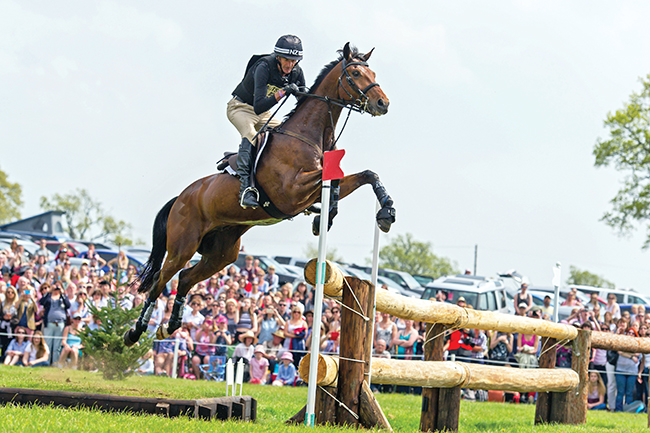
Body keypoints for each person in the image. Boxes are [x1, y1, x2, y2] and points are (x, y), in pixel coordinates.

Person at [228, 35, 306, 208]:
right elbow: (258, 106)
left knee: (285, 136)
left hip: (264, 113)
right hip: (240, 108)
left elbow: (304, 100)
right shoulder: (263, 67)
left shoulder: (296, 71)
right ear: (278, 57)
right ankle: (246, 189)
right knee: (251, 134)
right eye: (286, 60)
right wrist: (283, 93)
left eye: (294, 61)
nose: (289, 65)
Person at [39, 282, 71, 365]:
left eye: (58, 286)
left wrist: (62, 293)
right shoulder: (48, 296)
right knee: (47, 344)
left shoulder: (63, 297)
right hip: (49, 323)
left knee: (57, 345)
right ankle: (46, 362)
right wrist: (48, 292)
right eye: (55, 286)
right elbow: (41, 302)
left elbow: (68, 305)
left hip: (60, 324)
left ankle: (55, 363)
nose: (56, 288)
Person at [615, 327, 645, 411]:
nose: (630, 334)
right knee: (620, 392)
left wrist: (625, 352)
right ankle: (618, 409)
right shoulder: (622, 342)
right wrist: (631, 356)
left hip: (632, 371)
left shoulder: (637, 344)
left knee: (629, 392)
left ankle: (628, 409)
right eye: (629, 332)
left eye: (633, 333)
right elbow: (619, 352)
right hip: (620, 370)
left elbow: (638, 353)